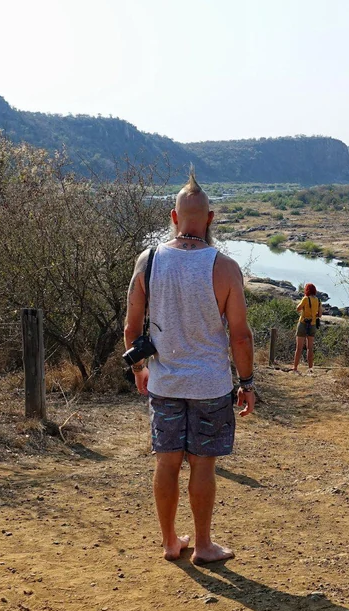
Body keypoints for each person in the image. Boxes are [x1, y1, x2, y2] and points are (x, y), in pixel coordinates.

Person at [123, 169, 255, 564]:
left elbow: (131, 327)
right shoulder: (225, 267)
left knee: (166, 463)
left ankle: (169, 542)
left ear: (173, 217)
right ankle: (203, 545)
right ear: (210, 219)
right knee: (203, 465)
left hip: (164, 383)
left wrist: (139, 371)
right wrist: (246, 383)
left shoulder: (148, 261)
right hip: (211, 386)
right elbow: (241, 336)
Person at [293, 282, 321, 373]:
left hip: (303, 323)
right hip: (312, 325)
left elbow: (298, 308)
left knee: (299, 348)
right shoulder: (318, 300)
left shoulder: (305, 298)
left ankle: (295, 368)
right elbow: (319, 314)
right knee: (310, 348)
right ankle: (310, 368)